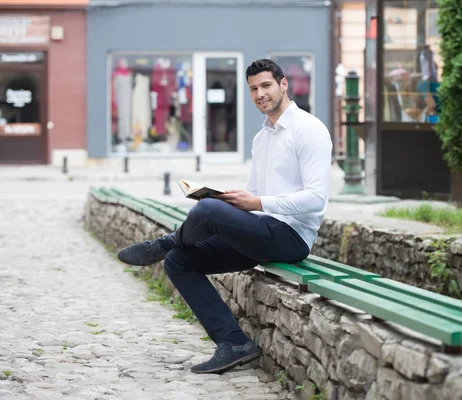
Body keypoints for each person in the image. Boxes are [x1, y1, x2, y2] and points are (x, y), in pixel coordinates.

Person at [117, 58, 333, 375]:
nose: (260, 94)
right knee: (179, 260)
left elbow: (315, 200)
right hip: (261, 230)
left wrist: (256, 202)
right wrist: (234, 200)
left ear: (283, 84)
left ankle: (165, 242)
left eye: (266, 86)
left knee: (205, 211)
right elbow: (256, 193)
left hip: (291, 238)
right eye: (253, 89)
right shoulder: (262, 139)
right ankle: (233, 343)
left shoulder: (309, 130)